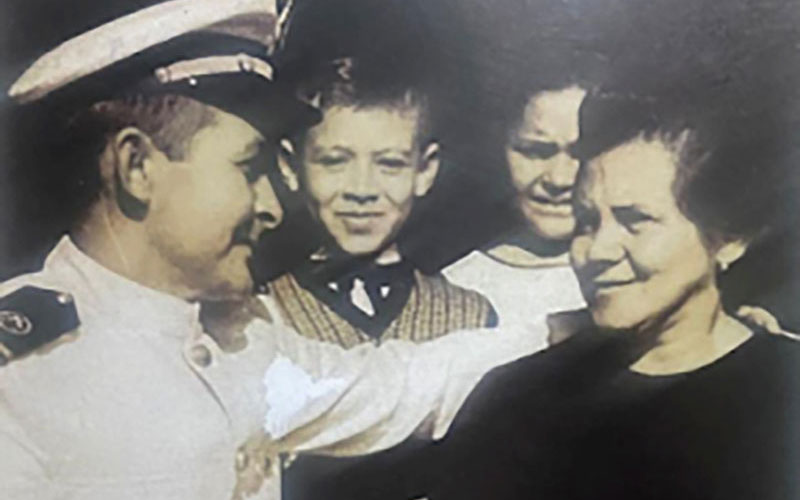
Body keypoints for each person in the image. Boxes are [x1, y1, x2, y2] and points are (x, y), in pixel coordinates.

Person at [0, 2, 554, 499]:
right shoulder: (20, 377)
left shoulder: (242, 343)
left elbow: (403, 385)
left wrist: (573, 326)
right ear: (138, 168)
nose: (270, 205)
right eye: (247, 169)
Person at [429, 71, 800, 500]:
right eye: (587, 222)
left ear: (729, 237)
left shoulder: (785, 396)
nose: (597, 249)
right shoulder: (516, 398)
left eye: (635, 220)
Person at [264, 58, 496, 348]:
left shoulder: (469, 318)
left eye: (389, 164)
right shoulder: (259, 313)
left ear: (425, 171)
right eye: (334, 162)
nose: (362, 190)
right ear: (290, 167)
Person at [442, 47, 597, 337]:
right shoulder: (454, 287)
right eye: (535, 151)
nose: (559, 178)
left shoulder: (644, 276)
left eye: (582, 153)